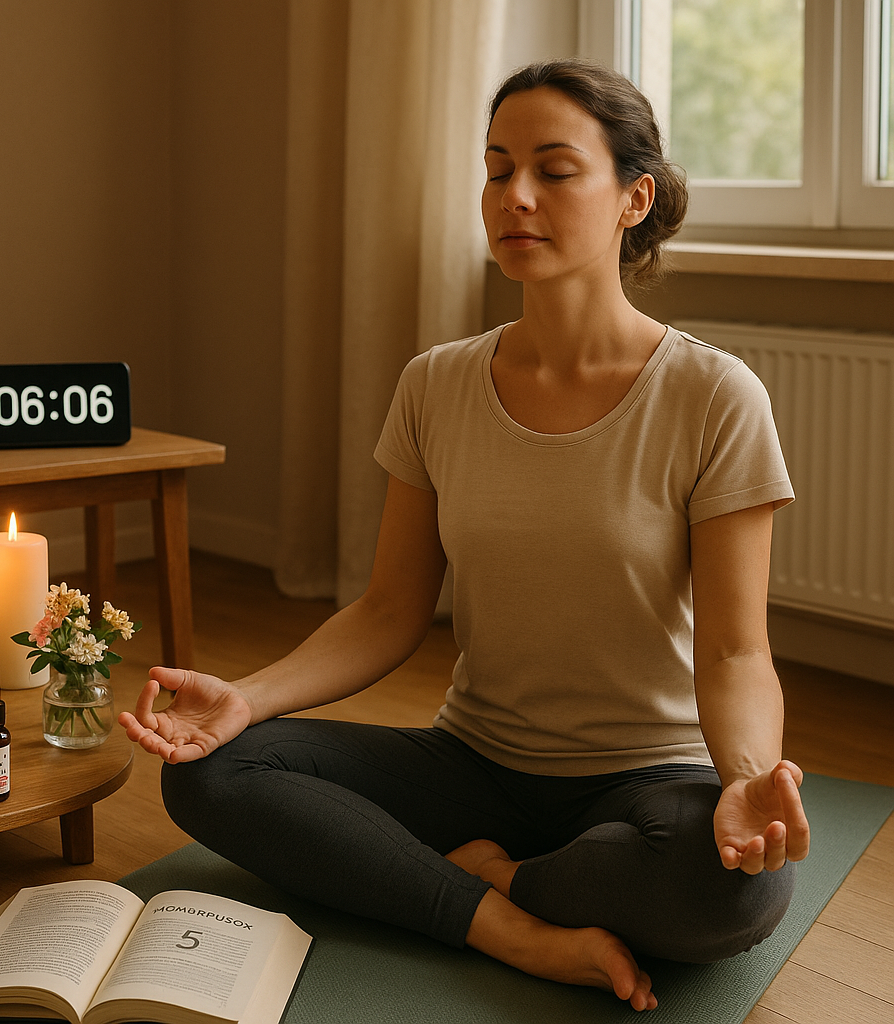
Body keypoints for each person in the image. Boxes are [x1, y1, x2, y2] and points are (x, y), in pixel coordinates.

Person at [120, 58, 810, 1012]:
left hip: (647, 775)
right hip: (476, 761)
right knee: (215, 775)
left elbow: (736, 650)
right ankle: (506, 922)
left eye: (554, 170)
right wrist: (245, 696)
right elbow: (390, 609)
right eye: (496, 168)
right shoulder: (435, 383)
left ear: (631, 198)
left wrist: (742, 780)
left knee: (736, 885)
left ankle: (489, 878)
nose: (514, 197)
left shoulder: (713, 396)